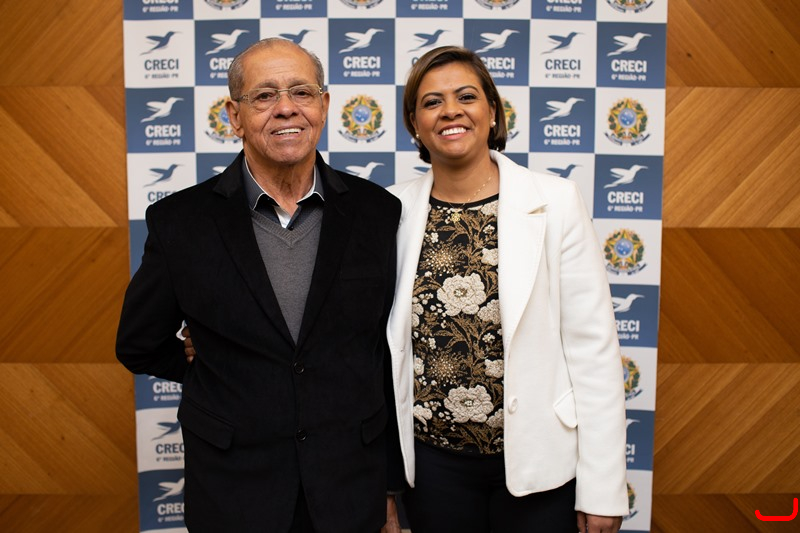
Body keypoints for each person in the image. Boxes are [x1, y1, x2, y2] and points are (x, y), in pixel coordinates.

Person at [116, 38, 403, 533]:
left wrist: (390, 488)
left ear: (324, 105)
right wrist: (216, 369)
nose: (286, 108)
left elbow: (386, 355)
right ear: (234, 116)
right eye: (264, 95)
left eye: (301, 92)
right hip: (234, 490)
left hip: (349, 487)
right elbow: (138, 343)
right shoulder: (180, 222)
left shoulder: (377, 212)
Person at [384, 46, 628, 533]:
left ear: (492, 111)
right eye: (431, 102)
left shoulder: (556, 201)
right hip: (431, 470)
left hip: (540, 464)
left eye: (466, 96)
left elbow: (593, 352)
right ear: (415, 124)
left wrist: (603, 488)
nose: (450, 110)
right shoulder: (390, 211)